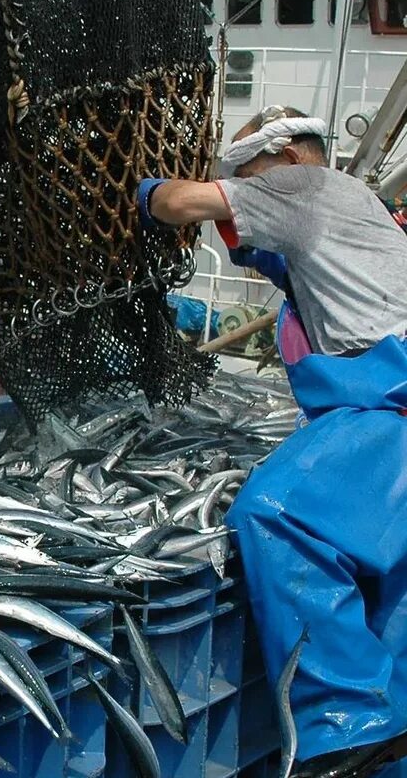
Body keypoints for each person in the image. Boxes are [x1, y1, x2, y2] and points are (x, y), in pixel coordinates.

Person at [138, 104, 407, 778]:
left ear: (286, 156)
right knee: (392, 609)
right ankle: (385, 744)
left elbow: (181, 201)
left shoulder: (305, 185)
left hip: (391, 403)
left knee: (277, 513)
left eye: (250, 176)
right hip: (389, 414)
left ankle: (348, 724)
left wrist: (136, 196)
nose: (248, 192)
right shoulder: (356, 213)